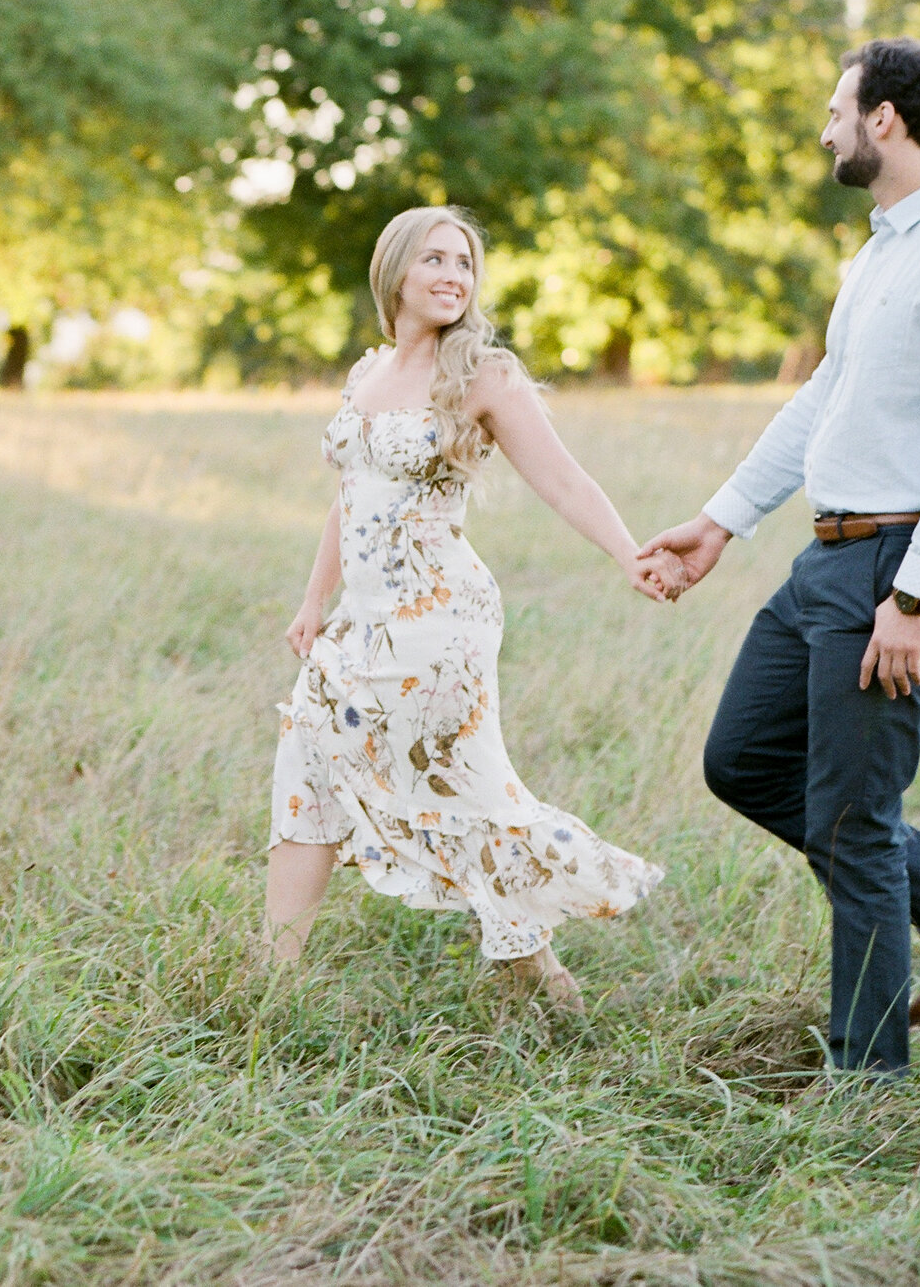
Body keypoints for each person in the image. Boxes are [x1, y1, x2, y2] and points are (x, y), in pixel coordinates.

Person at [640, 38, 920, 1080]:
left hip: (900, 564)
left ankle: (867, 1083)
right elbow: (825, 398)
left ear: (884, 121)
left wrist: (915, 596)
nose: (823, 130)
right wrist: (720, 521)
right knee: (740, 760)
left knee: (854, 824)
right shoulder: (877, 253)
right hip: (827, 558)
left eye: (834, 110)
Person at [264, 205, 679, 1003]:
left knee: (463, 794)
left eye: (464, 262)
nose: (454, 274)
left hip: (440, 619)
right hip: (362, 619)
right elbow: (350, 495)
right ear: (396, 271)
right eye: (436, 259)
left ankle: (547, 974)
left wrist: (628, 552)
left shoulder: (483, 375)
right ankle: (274, 982)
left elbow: (562, 477)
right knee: (308, 753)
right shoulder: (368, 374)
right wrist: (316, 599)